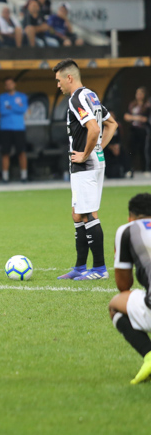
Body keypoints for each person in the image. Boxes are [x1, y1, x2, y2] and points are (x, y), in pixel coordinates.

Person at [54, 59, 118, 280]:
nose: (58, 85)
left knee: (89, 213)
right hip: (90, 162)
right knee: (77, 214)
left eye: (59, 80)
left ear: (69, 78)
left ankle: (99, 269)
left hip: (85, 164)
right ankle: (80, 267)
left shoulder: (76, 98)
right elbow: (112, 124)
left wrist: (86, 152)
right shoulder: (91, 95)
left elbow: (93, 128)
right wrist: (97, 148)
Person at [108, 193, 151, 384]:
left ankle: (149, 356)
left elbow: (123, 285)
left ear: (130, 216)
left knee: (115, 305)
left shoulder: (127, 230)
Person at [0, 78, 28, 183]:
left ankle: (24, 176)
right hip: (5, 128)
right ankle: (5, 177)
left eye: (11, 83)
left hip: (19, 128)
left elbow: (23, 109)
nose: (9, 86)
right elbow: (2, 110)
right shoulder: (1, 97)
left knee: (21, 152)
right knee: (5, 153)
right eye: (7, 84)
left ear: (14, 84)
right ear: (5, 86)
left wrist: (11, 107)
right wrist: (16, 107)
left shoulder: (22, 96)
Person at [124, 87, 150, 174]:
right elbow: (126, 116)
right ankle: (130, 169)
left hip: (142, 130)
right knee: (131, 149)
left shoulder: (146, 105)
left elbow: (145, 119)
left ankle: (145, 169)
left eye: (140, 94)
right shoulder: (132, 105)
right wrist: (137, 117)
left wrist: (133, 117)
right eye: (137, 93)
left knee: (143, 149)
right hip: (133, 129)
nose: (138, 95)